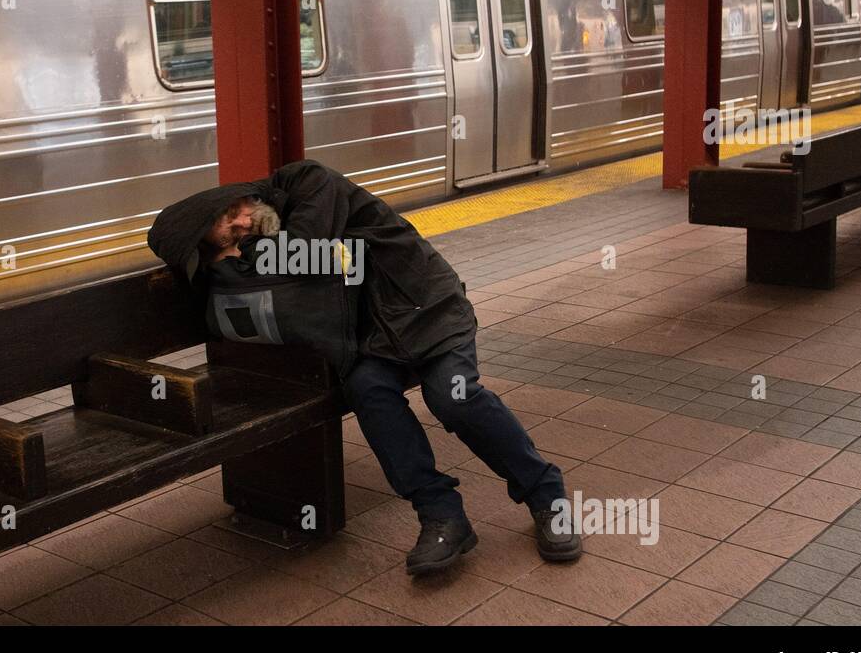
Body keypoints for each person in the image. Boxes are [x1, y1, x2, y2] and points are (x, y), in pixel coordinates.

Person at [147, 160, 581, 575]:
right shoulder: (261, 237)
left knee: (453, 398)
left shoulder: (309, 181)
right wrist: (227, 258)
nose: (243, 232)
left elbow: (303, 254)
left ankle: (547, 496)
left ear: (232, 200)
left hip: (426, 311)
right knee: (370, 393)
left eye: (233, 224)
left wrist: (235, 257)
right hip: (370, 339)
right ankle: (442, 516)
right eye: (229, 241)